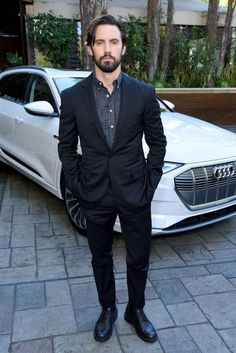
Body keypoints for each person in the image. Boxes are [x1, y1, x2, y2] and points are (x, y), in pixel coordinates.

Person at [58, 14, 166, 343]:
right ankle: (108, 309)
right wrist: (78, 185)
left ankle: (136, 309)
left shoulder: (144, 93)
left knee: (139, 257)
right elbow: (66, 148)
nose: (108, 49)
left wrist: (148, 186)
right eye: (100, 42)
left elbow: (158, 144)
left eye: (114, 42)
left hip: (135, 193)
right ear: (90, 48)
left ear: (123, 47)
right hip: (94, 195)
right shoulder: (73, 97)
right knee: (100, 257)